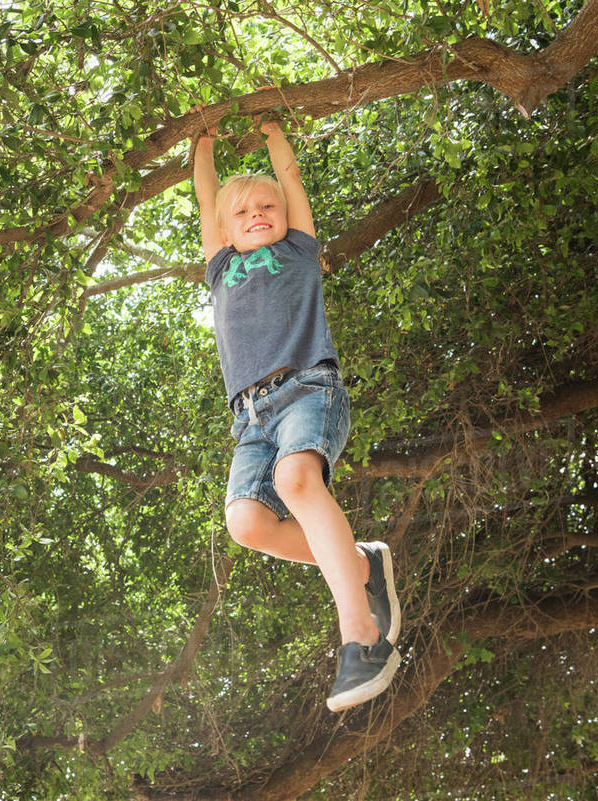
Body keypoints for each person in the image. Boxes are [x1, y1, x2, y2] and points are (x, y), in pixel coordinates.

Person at [192, 119, 402, 711]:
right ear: (224, 230)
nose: (257, 214)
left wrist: (272, 131)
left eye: (267, 206)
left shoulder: (298, 249)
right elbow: (207, 198)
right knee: (247, 525)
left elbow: (289, 176)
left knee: (296, 481)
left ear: (285, 215)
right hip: (250, 420)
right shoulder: (220, 266)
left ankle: (362, 639)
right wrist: (202, 146)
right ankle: (362, 562)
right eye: (243, 213)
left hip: (309, 389)